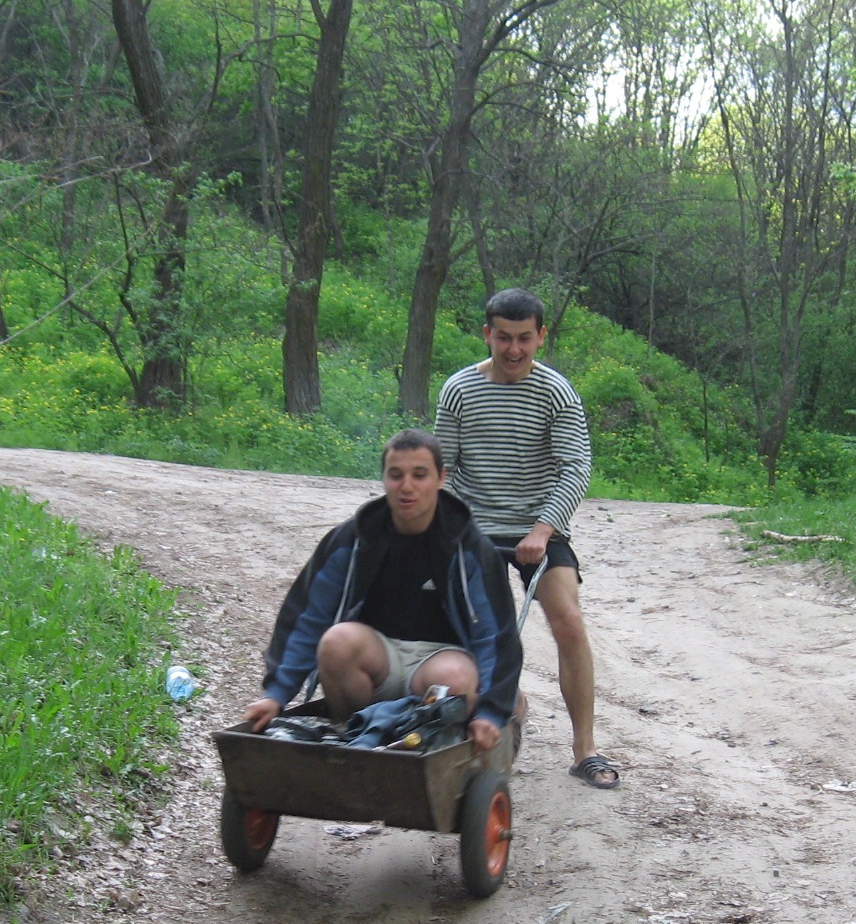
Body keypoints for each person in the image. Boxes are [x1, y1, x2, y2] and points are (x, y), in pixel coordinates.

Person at [434, 287, 619, 788]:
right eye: (503, 337)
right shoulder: (458, 389)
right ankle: (474, 721)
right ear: (486, 334)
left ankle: (585, 749)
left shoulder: (556, 392)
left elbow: (575, 468)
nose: (513, 349)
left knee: (569, 621)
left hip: (540, 528)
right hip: (474, 528)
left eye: (523, 338)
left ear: (540, 336)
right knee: (462, 628)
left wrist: (542, 528)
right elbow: (443, 469)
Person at [243, 429, 521, 753]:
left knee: (454, 678)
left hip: (440, 660)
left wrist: (490, 710)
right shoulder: (355, 539)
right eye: (396, 475)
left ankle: (445, 738)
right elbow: (307, 617)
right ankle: (356, 741)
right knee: (336, 642)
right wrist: (276, 695)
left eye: (419, 475)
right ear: (384, 478)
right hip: (377, 659)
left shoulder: (469, 548)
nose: (407, 487)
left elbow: (495, 637)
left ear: (440, 478)